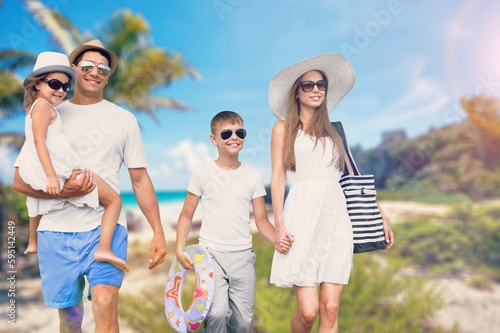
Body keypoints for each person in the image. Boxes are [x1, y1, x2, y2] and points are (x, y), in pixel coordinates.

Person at [13, 40, 167, 332]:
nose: (95, 72)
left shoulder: (124, 120)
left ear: (108, 76)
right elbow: (20, 180)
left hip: (103, 229)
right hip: (55, 231)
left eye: (103, 69)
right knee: (69, 320)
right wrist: (63, 190)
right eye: (87, 66)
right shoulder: (47, 112)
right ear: (73, 71)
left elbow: (139, 178)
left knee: (106, 304)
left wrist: (158, 230)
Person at [267, 54, 394, 333]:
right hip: (300, 219)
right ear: (296, 93)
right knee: (309, 313)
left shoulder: (336, 132)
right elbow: (277, 178)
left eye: (321, 84)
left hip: (336, 221)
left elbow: (353, 179)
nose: (315, 89)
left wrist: (381, 216)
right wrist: (279, 224)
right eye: (308, 85)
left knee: (331, 308)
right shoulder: (283, 129)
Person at [175, 110, 292, 333]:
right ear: (214, 139)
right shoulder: (202, 173)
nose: (234, 137)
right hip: (211, 256)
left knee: (244, 324)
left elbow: (261, 220)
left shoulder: (253, 176)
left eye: (240, 132)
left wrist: (276, 236)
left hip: (243, 257)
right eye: (227, 133)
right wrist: (180, 249)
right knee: (216, 313)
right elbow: (186, 214)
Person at [17, 51, 128, 272]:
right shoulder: (43, 107)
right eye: (55, 84)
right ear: (37, 84)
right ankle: (104, 247)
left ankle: (33, 242)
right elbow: (40, 142)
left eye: (65, 86)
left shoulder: (35, 107)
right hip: (60, 167)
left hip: (47, 167)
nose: (61, 90)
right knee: (114, 200)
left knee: (36, 203)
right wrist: (51, 176)